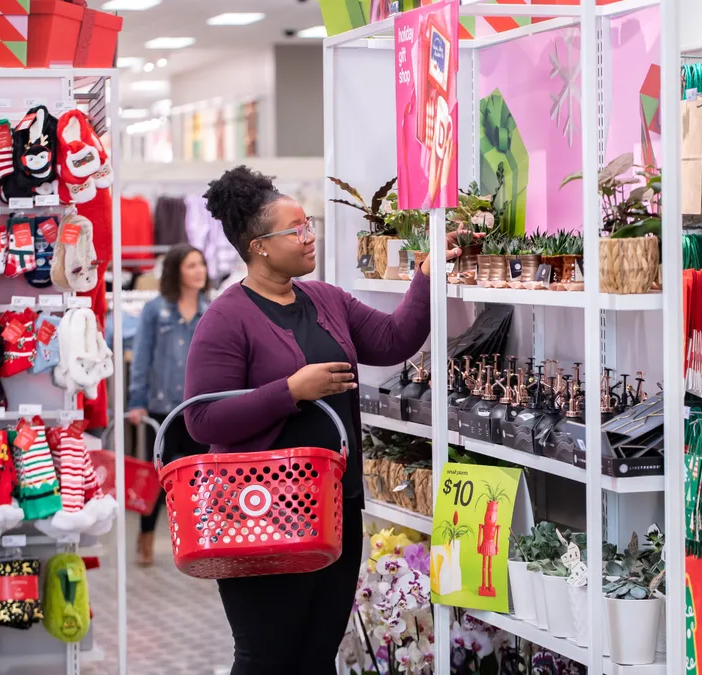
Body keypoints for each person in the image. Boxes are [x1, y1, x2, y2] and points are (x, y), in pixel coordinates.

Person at [184, 165, 468, 675]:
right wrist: (290, 392)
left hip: (335, 509)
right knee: (266, 658)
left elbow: (391, 341)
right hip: (261, 515)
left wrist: (425, 276)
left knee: (319, 655)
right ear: (259, 246)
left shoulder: (325, 299)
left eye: (308, 223)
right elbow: (203, 420)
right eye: (296, 230)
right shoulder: (226, 319)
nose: (309, 236)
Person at [127, 243, 210, 567]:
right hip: (161, 409)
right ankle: (145, 538)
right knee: (157, 478)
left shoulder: (210, 309)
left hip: (198, 408)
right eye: (191, 265)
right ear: (176, 271)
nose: (199, 271)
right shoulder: (154, 310)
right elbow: (142, 357)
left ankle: (201, 540)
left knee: (202, 477)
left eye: (201, 265)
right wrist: (137, 400)